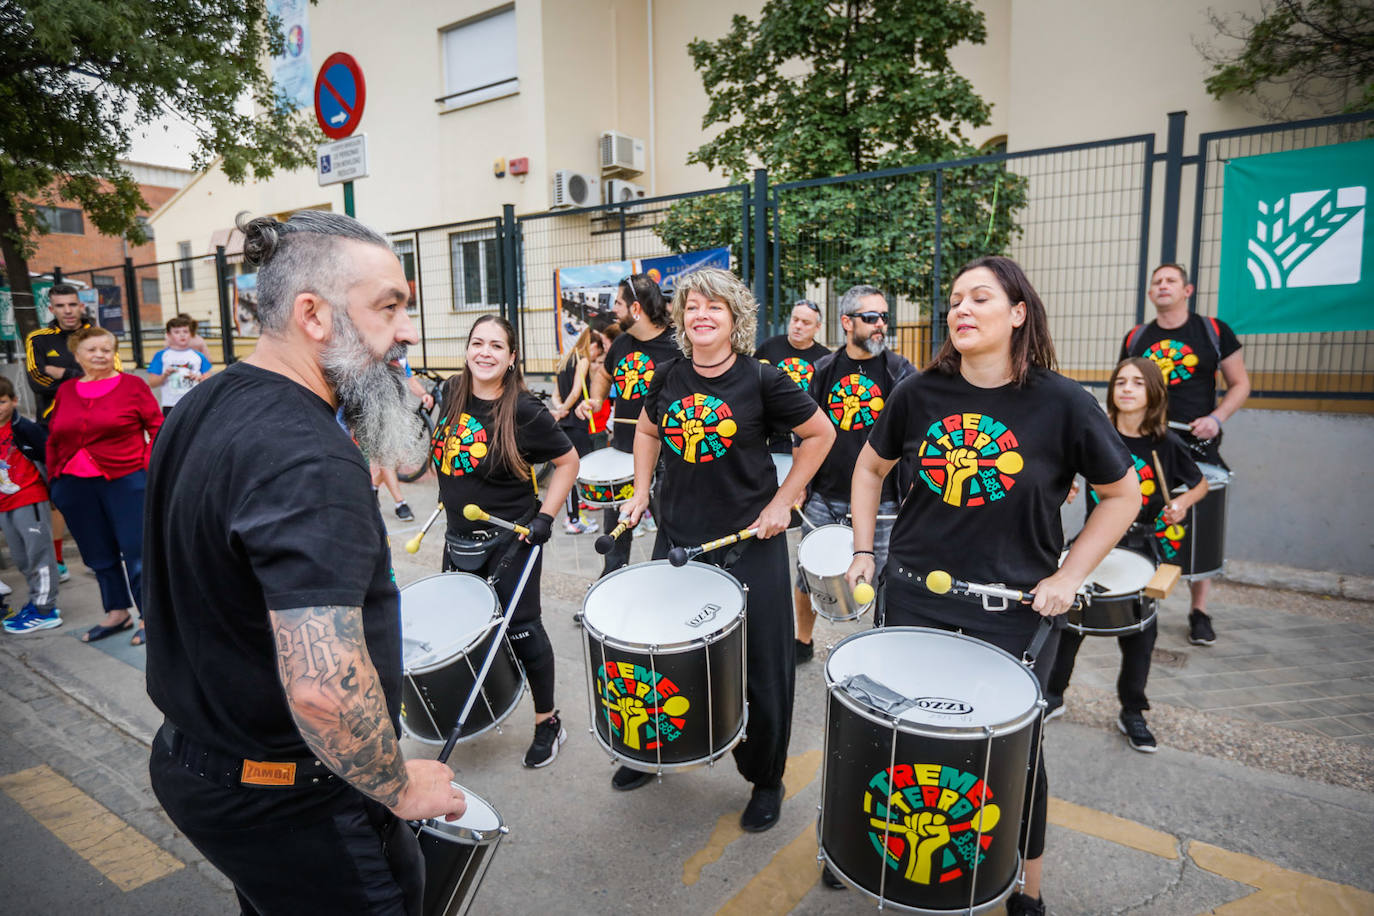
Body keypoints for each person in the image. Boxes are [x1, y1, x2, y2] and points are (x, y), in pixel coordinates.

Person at [144, 211, 465, 914]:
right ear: (313, 315)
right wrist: (399, 786)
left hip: (200, 767)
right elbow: (325, 691)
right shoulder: (309, 458)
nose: (406, 331)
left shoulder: (205, 402)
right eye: (389, 307)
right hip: (292, 802)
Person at [847, 256, 1138, 916]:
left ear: (1018, 313)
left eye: (980, 297)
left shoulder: (1062, 403)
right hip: (914, 598)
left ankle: (1026, 891)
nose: (962, 310)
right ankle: (873, 850)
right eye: (954, 300)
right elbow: (869, 469)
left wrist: (1068, 575)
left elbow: (1123, 493)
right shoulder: (918, 393)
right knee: (901, 739)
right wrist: (866, 550)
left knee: (1014, 757)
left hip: (1012, 615)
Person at [620, 267, 834, 831]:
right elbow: (646, 431)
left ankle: (765, 777)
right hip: (678, 543)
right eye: (692, 306)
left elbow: (821, 435)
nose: (702, 315)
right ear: (682, 319)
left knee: (763, 672)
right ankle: (654, 749)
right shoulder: (666, 377)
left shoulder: (762, 380)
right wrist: (641, 491)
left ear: (734, 318)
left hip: (749, 547)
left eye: (714, 306)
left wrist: (784, 502)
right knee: (660, 659)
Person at [433, 314, 579, 768]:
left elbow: (569, 462)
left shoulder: (524, 410)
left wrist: (545, 517)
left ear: (511, 357)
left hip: (510, 539)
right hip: (459, 535)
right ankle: (483, 702)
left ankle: (547, 722)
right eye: (478, 343)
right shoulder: (451, 392)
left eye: (497, 346)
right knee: (463, 629)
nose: (485, 352)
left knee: (521, 629)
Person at [1048, 358, 1208, 752]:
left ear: (1154, 393)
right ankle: (1052, 695)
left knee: (1141, 633)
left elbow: (1200, 484)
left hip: (1143, 543)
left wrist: (1182, 502)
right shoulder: (1097, 433)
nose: (1127, 388)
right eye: (1121, 381)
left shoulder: (1166, 443)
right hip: (1096, 538)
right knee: (1067, 621)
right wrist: (1064, 485)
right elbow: (1066, 470)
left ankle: (1132, 711)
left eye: (1138, 382)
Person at [1119, 263, 1250, 645]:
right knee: (1138, 517)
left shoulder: (1212, 331)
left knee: (1198, 522)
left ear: (1187, 290)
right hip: (1146, 443)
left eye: (1170, 281)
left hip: (1196, 445)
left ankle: (1199, 610)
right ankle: (1133, 597)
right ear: (1150, 293)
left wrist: (1216, 417)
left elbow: (1240, 384)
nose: (1162, 286)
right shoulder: (1137, 337)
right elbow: (1125, 384)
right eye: (1156, 282)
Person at [794, 285, 915, 663]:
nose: (880, 325)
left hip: (884, 501)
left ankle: (881, 648)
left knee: (883, 580)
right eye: (871, 317)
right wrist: (799, 486)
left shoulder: (901, 372)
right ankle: (802, 640)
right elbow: (803, 429)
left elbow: (914, 437)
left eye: (883, 317)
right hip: (825, 496)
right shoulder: (824, 370)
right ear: (847, 322)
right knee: (807, 576)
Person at [46, 326, 162, 646]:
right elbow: (55, 436)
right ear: (77, 355)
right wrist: (55, 479)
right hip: (74, 485)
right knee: (98, 555)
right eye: (92, 349)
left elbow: (157, 427)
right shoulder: (66, 390)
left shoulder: (132, 386)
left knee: (137, 554)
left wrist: (147, 469)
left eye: (106, 349)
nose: (100, 355)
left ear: (114, 353)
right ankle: (116, 612)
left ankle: (150, 618)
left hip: (126, 481)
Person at [575, 274, 680, 573]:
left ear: (637, 308)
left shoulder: (677, 344)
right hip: (622, 453)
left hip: (667, 457)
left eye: (619, 303)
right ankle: (611, 586)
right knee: (617, 534)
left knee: (669, 531)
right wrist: (596, 401)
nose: (614, 310)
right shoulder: (621, 343)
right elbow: (604, 375)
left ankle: (670, 589)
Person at [0, 377, 62, 634]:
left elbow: (49, 455)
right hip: (4, 503)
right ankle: (36, 600)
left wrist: (55, 492)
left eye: (2, 401)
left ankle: (46, 609)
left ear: (14, 401)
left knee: (39, 554)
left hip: (29, 497)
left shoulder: (24, 428)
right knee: (22, 557)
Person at [550, 325, 607, 533]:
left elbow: (556, 394)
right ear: (592, 345)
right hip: (577, 423)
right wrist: (565, 409)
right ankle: (573, 519)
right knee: (574, 473)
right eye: (597, 353)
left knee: (569, 471)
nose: (595, 358)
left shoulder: (564, 361)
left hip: (565, 424)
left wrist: (559, 410)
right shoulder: (581, 360)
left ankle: (574, 516)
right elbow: (575, 392)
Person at [754, 298, 830, 453]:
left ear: (818, 327)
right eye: (795, 320)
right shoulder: (769, 347)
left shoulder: (825, 359)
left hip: (808, 437)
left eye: (806, 322)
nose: (798, 326)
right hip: (770, 438)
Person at [370, 355, 432, 521]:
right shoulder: (375, 353)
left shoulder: (400, 357)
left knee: (397, 458)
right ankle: (400, 504)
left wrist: (423, 394)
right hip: (375, 413)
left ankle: (373, 486)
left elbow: (410, 380)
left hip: (397, 414)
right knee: (387, 458)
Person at [147, 315, 213, 415]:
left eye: (185, 332)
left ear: (191, 334)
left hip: (195, 403)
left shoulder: (198, 356)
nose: (182, 335)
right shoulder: (161, 356)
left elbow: (209, 381)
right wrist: (165, 375)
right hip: (171, 405)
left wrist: (199, 378)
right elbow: (152, 383)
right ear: (168, 335)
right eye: (177, 332)